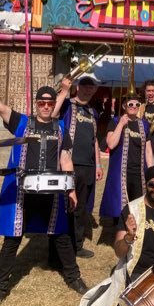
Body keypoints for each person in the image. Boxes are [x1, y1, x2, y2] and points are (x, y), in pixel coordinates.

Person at [0, 67, 87, 306]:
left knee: (62, 237)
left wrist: (71, 188)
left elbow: (65, 159)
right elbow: (0, 106)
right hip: (23, 193)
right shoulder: (22, 122)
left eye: (49, 103)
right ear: (36, 104)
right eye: (41, 102)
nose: (45, 106)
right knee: (12, 240)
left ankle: (75, 279)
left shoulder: (61, 128)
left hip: (52, 193)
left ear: (53, 104)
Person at [80, 166, 154, 306]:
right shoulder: (131, 210)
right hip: (137, 273)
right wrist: (128, 237)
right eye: (152, 184)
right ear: (146, 185)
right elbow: (119, 251)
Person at [53, 75, 103, 259]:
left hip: (88, 166)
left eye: (92, 87)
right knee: (66, 205)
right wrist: (64, 89)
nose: (88, 90)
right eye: (85, 86)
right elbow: (52, 113)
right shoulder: (67, 105)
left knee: (82, 208)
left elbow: (95, 140)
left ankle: (77, 244)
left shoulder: (93, 112)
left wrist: (98, 164)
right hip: (69, 164)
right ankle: (62, 244)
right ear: (79, 87)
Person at [100, 94, 154, 223]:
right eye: (130, 104)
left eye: (137, 104)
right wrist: (121, 125)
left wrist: (152, 172)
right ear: (124, 106)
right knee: (120, 206)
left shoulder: (144, 125)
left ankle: (136, 235)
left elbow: (148, 150)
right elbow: (111, 144)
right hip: (120, 172)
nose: (134, 107)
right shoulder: (115, 121)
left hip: (138, 173)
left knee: (138, 205)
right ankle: (120, 234)